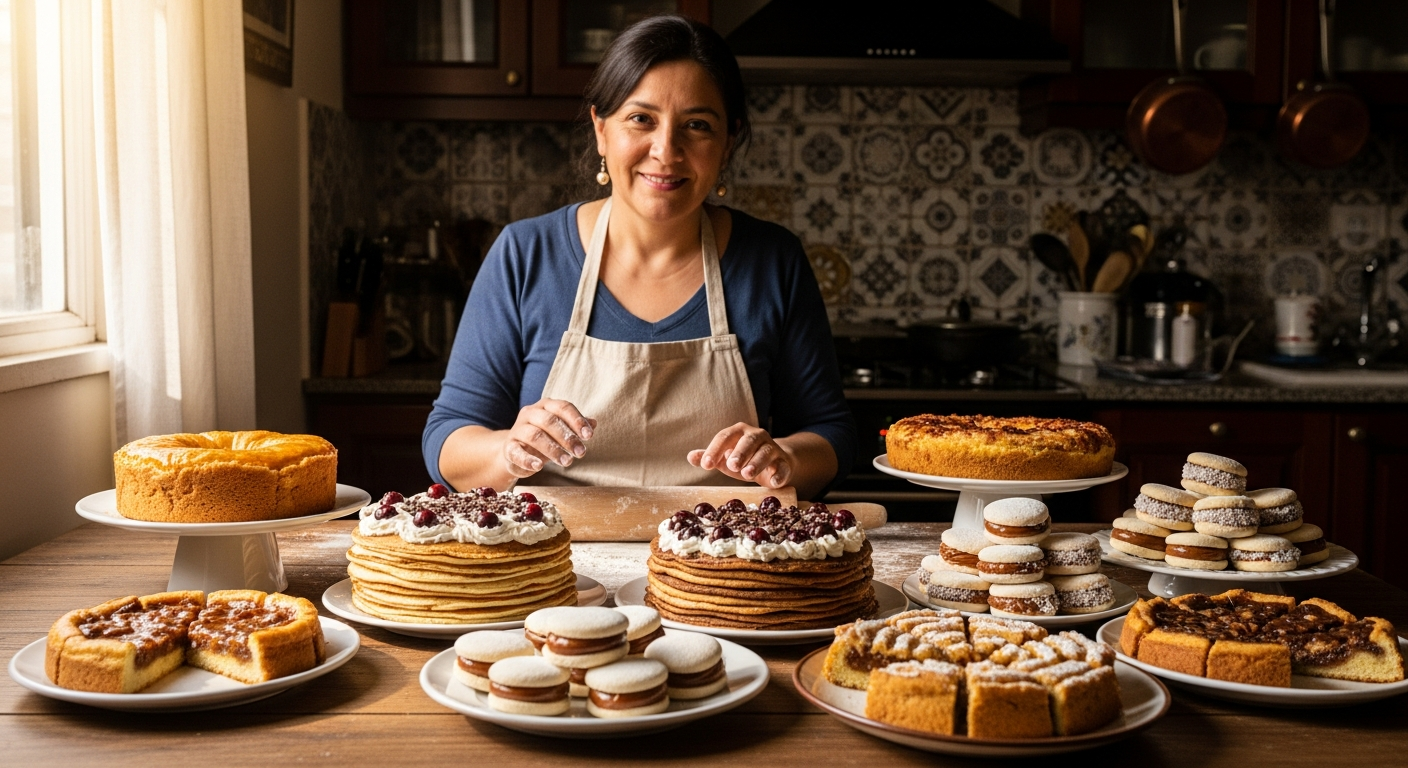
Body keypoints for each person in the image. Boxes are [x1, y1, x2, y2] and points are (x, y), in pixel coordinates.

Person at [423, 15, 854, 500]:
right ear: (601, 129)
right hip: (552, 565)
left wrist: (785, 457)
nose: (666, 151)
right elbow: (449, 438)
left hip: (725, 564)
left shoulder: (773, 261)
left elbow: (829, 434)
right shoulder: (526, 255)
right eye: (641, 119)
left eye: (697, 125)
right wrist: (506, 451)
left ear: (727, 143)